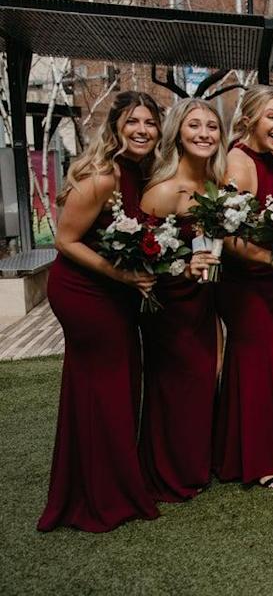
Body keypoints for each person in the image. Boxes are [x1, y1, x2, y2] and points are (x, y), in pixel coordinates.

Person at [38, 91, 162, 532]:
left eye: (150, 122)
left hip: (114, 291)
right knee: (104, 389)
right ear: (115, 128)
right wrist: (123, 277)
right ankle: (100, 496)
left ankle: (106, 481)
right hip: (85, 291)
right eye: (133, 122)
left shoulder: (138, 173)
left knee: (116, 385)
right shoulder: (104, 175)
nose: (142, 130)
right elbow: (65, 241)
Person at [137, 98, 225, 502]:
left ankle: (195, 463)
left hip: (205, 300)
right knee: (176, 386)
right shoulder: (163, 190)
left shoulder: (216, 185)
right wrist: (183, 268)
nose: (204, 133)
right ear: (178, 132)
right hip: (172, 305)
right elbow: (141, 259)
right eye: (194, 125)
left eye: (211, 126)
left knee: (204, 380)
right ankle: (169, 472)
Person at [213, 85, 273, 489]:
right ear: (249, 118)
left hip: (269, 281)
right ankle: (261, 462)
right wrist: (269, 258)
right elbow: (228, 238)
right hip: (244, 283)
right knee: (257, 364)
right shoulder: (239, 161)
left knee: (252, 363)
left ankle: (232, 454)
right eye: (272, 116)